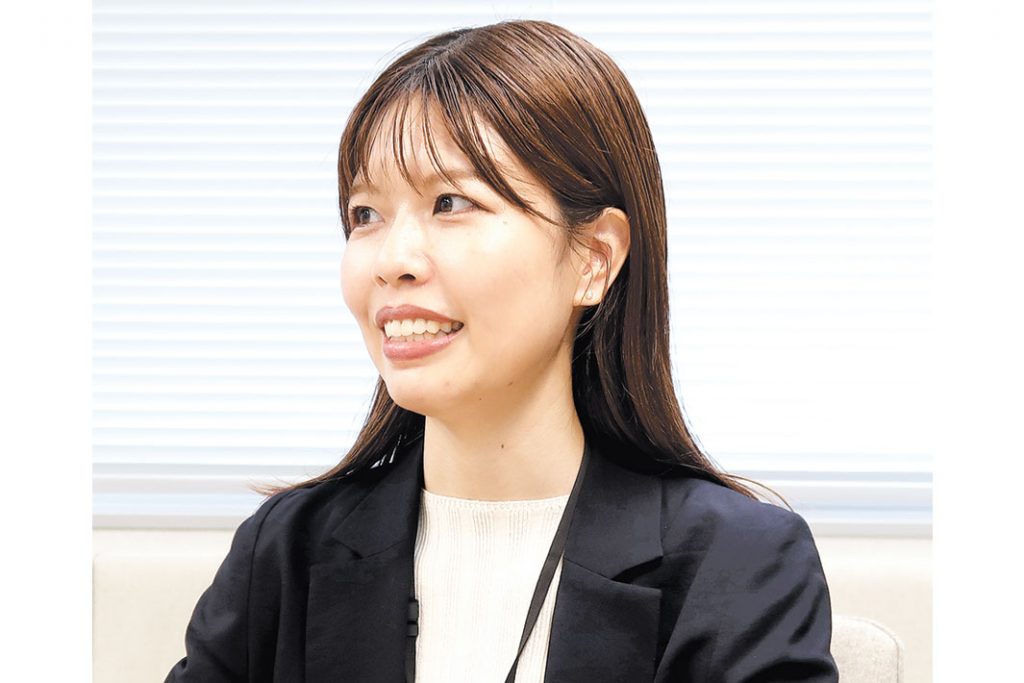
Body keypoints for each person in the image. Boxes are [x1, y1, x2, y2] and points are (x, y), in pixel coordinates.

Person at [165, 19, 838, 683]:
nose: (392, 260)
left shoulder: (737, 565)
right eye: (366, 214)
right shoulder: (283, 553)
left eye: (450, 202)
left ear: (594, 258)